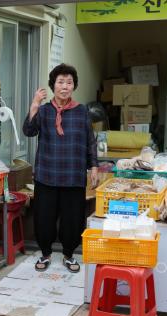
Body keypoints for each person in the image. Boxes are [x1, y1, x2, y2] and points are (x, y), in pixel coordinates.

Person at [22, 63, 99, 274]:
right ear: (53, 85)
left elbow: (90, 141)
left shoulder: (81, 111)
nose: (64, 87)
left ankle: (68, 254)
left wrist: (93, 166)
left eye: (69, 82)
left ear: (74, 86)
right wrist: (35, 105)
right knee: (44, 216)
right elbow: (28, 131)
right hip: (47, 173)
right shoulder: (45, 111)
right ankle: (45, 253)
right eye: (60, 82)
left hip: (73, 174)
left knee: (73, 217)